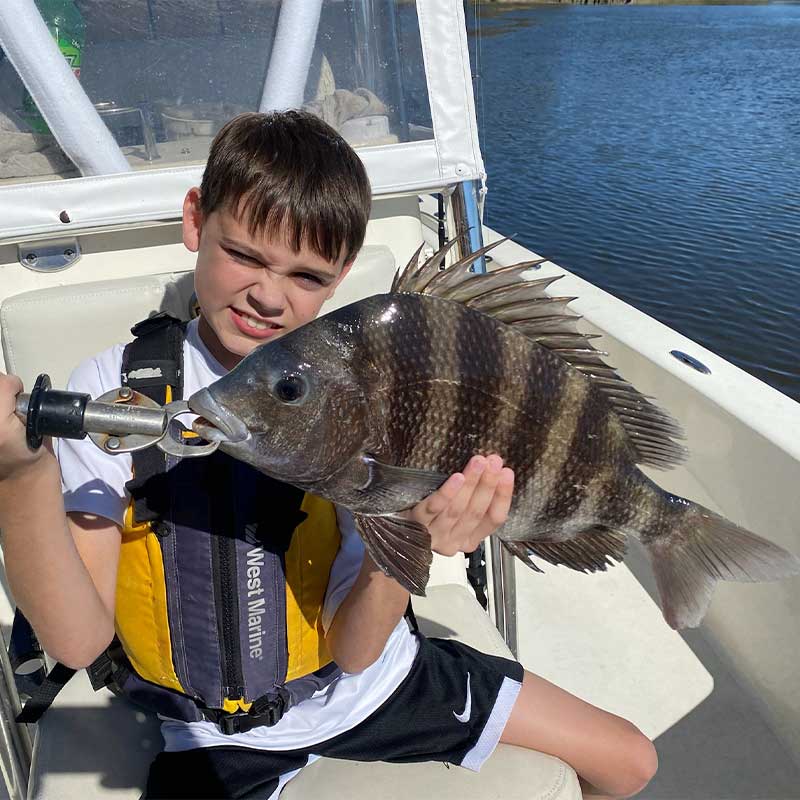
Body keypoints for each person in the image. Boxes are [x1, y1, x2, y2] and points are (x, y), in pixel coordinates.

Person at [0, 111, 657, 800]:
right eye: (244, 255)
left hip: (377, 683)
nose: (268, 295)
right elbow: (77, 644)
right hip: (219, 734)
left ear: (341, 275)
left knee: (628, 760)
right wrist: (21, 475)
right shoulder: (118, 394)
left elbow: (356, 651)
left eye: (307, 276)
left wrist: (412, 538)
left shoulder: (367, 385)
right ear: (196, 220)